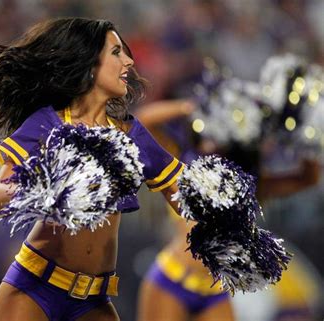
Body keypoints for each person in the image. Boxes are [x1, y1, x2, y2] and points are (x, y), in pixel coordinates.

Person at [0, 18, 187, 321]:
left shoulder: (130, 135)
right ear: (89, 63)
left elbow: (184, 192)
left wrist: (229, 215)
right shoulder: (48, 124)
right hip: (33, 289)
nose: (129, 61)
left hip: (93, 301)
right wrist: (57, 190)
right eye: (117, 52)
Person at [135, 100, 321, 321]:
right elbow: (143, 122)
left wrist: (303, 130)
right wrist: (200, 106)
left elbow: (307, 178)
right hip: (173, 279)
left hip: (215, 288)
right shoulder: (187, 168)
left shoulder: (251, 184)